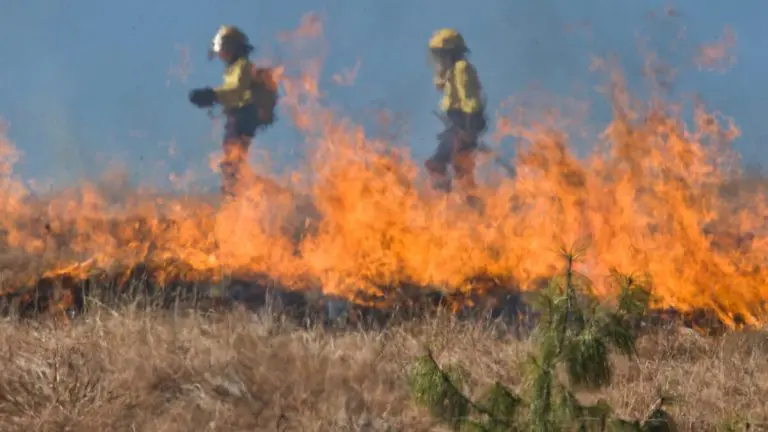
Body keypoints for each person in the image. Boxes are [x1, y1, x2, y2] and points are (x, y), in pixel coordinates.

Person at [188, 25, 277, 197]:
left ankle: (242, 193)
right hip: (238, 117)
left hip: (243, 117)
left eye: (223, 48)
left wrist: (213, 95)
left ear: (231, 47)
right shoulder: (235, 69)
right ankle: (238, 190)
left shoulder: (242, 67)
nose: (221, 54)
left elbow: (236, 91)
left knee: (233, 161)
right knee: (232, 159)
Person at [426, 28, 488, 196]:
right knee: (451, 167)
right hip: (456, 125)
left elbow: (470, 101)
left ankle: (459, 200)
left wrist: (469, 129)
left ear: (450, 53)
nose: (438, 59)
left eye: (440, 54)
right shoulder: (452, 71)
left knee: (451, 166)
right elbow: (441, 85)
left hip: (463, 124)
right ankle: (456, 198)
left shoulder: (461, 69)